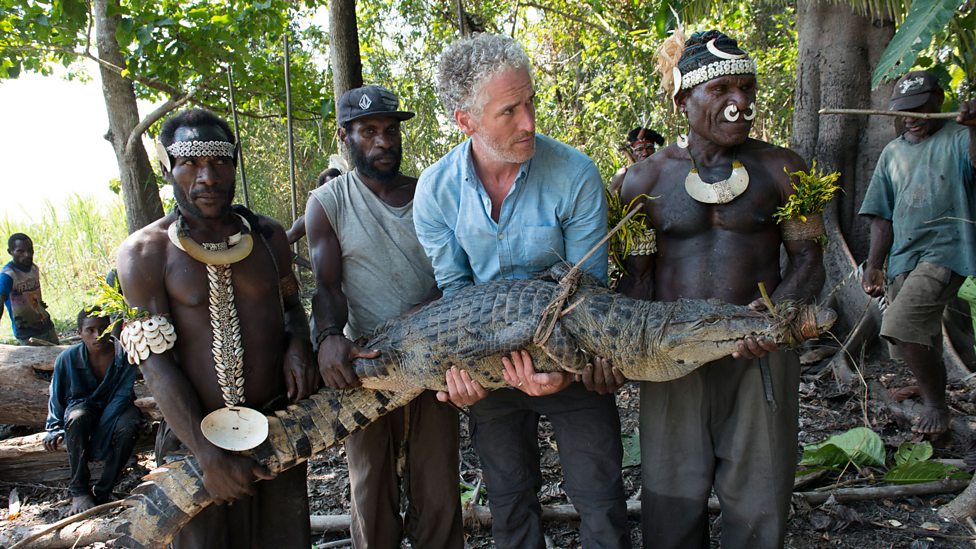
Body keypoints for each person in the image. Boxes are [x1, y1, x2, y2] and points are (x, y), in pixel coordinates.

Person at [414, 33, 630, 549]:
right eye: (509, 111)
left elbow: (587, 290)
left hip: (571, 358)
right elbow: (457, 294)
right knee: (510, 503)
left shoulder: (574, 174)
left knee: (600, 498)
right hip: (492, 368)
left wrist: (559, 369)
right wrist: (464, 375)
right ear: (465, 120)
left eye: (531, 102)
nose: (529, 122)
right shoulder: (435, 192)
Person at [619, 30, 825, 548]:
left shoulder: (784, 169)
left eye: (747, 89)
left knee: (760, 502)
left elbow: (809, 262)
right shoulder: (642, 182)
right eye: (723, 91)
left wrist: (776, 316)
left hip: (761, 354)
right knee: (668, 501)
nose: (741, 103)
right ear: (683, 99)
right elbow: (639, 279)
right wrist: (629, 355)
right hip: (673, 360)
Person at [116, 108, 318, 548]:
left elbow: (290, 306)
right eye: (191, 162)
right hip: (193, 440)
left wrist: (299, 342)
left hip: (276, 425)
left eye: (219, 161)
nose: (207, 176)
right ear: (167, 167)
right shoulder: (144, 253)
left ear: (235, 162)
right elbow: (155, 363)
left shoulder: (268, 237)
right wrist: (208, 456)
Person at [306, 85, 463, 548]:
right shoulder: (329, 202)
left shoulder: (431, 193)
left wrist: (422, 317)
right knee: (370, 490)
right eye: (369, 131)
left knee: (437, 489)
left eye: (390, 130)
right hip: (367, 365)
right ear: (345, 136)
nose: (383, 142)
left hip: (434, 359)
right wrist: (330, 335)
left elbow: (456, 274)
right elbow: (328, 287)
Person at [860, 70, 976, 435]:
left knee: (901, 326)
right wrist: (874, 265)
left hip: (946, 249)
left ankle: (936, 405)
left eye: (917, 108)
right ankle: (937, 387)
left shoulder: (958, 138)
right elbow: (882, 216)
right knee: (924, 336)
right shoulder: (893, 152)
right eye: (902, 110)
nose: (910, 117)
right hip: (905, 257)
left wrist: (974, 127)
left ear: (938, 102)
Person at [43, 307, 140, 514]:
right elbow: (57, 396)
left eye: (103, 329)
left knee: (128, 427)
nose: (98, 335)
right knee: (76, 419)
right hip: (82, 405)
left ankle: (103, 491)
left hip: (118, 406)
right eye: (90, 330)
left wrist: (100, 436)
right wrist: (54, 427)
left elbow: (122, 396)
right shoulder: (67, 358)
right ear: (79, 332)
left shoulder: (124, 355)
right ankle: (79, 490)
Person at [1, 233, 59, 345]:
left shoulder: (33, 268)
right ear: (10, 252)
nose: (27, 255)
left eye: (30, 250)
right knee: (34, 361)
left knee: (58, 357)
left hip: (45, 325)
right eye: (20, 251)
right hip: (26, 332)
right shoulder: (8, 275)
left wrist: (39, 304)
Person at [287, 167, 342, 245]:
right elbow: (287, 238)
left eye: (338, 186)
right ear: (322, 191)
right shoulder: (314, 216)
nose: (335, 191)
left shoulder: (352, 210)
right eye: (331, 188)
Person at [609, 126, 666, 194]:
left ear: (654, 150)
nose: (645, 153)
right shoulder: (623, 174)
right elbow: (610, 201)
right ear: (633, 153)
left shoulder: (664, 172)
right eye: (640, 149)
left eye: (649, 148)